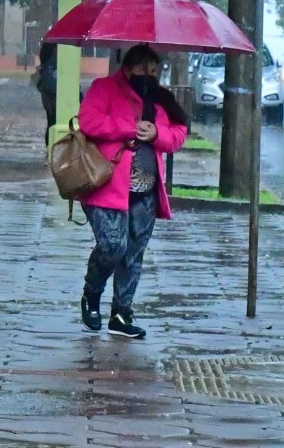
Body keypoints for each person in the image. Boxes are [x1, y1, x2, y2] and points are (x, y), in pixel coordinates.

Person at [77, 43, 188, 339]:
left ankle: (121, 313)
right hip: (106, 186)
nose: (148, 75)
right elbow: (89, 121)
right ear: (127, 68)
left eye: (154, 70)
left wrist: (158, 133)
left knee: (134, 253)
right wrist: (130, 127)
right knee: (113, 245)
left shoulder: (162, 98)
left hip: (146, 189)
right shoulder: (105, 88)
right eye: (142, 70)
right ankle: (91, 295)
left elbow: (178, 133)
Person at [36, 42, 58, 143]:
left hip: (52, 104)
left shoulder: (48, 68)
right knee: (52, 122)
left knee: (51, 122)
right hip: (54, 104)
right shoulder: (50, 69)